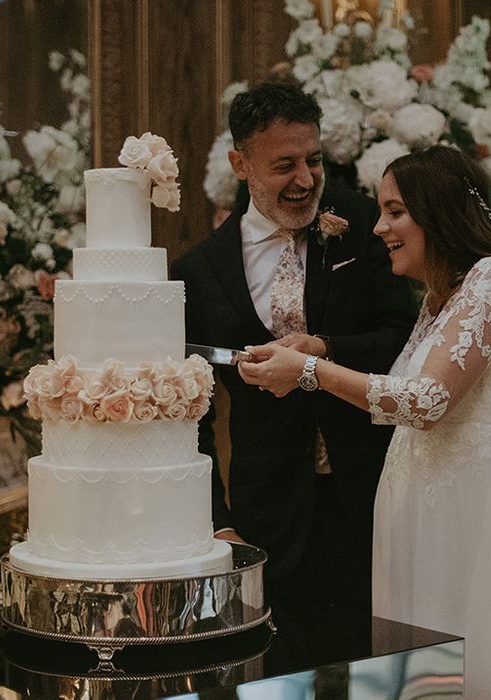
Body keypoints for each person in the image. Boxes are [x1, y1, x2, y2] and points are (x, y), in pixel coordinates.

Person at [238, 145, 491, 699]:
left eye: (394, 211)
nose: (378, 228)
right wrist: (314, 350)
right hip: (422, 519)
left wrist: (310, 370)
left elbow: (425, 401)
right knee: (431, 681)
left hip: (480, 518)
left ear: (437, 210)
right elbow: (392, 394)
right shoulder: (437, 301)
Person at [171, 81, 417, 617]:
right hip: (269, 515)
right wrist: (218, 521)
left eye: (314, 160)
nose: (306, 180)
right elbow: (189, 416)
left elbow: (405, 338)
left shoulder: (363, 226)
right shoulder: (200, 272)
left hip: (376, 496)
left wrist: (324, 349)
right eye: (285, 165)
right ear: (241, 164)